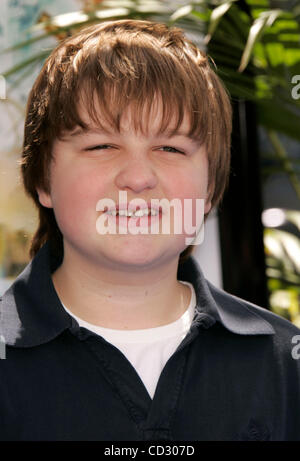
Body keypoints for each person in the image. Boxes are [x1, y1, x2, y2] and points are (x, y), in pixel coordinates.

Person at [0, 18, 300, 442]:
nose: (138, 177)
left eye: (170, 147)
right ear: (43, 180)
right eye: (101, 145)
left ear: (212, 187)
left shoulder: (286, 364)